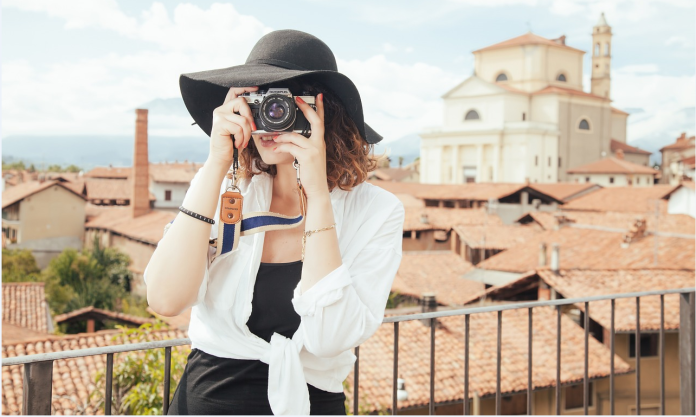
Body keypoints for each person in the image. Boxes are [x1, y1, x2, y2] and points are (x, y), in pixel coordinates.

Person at [144, 29, 405, 415]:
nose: (270, 115)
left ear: (324, 111)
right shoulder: (227, 189)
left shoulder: (377, 212)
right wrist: (216, 162)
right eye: (257, 100)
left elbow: (329, 338)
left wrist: (317, 195)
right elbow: (165, 299)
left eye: (283, 101)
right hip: (207, 400)